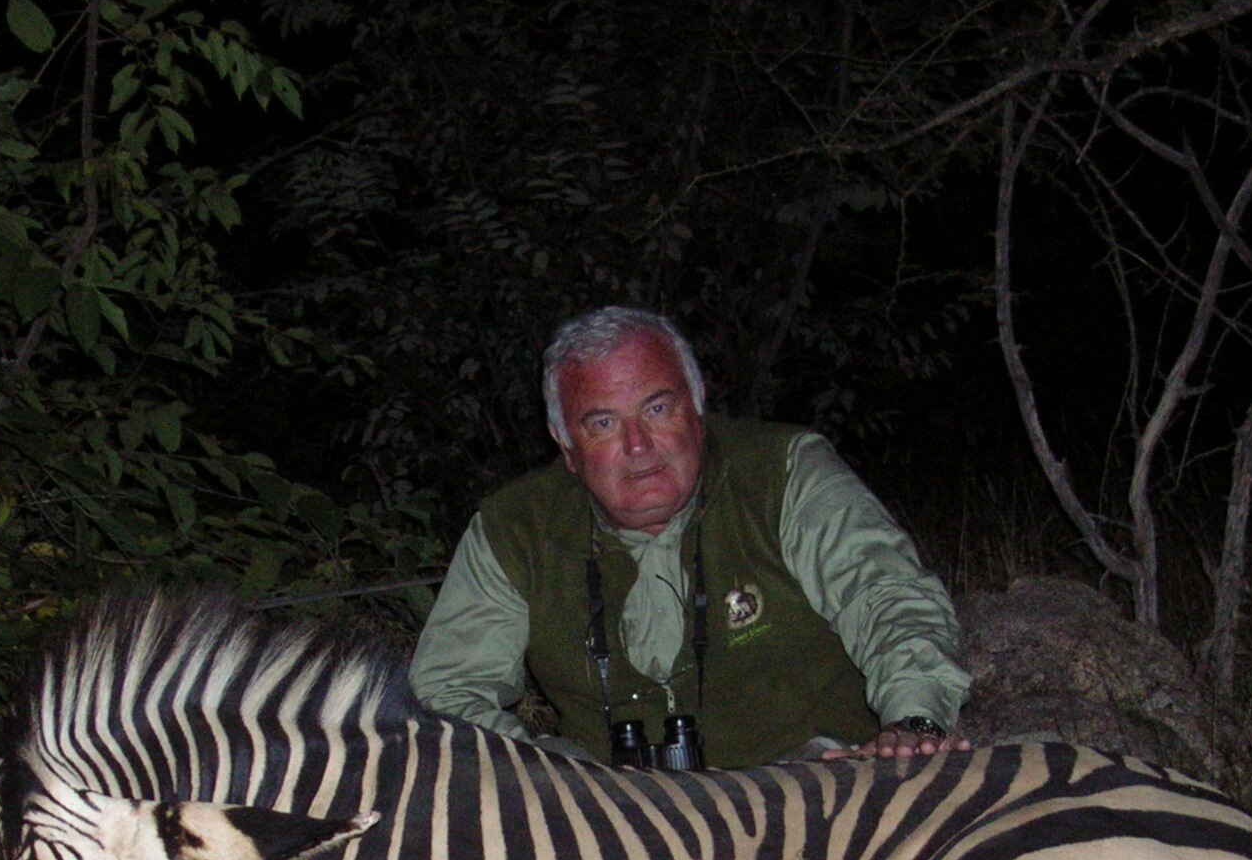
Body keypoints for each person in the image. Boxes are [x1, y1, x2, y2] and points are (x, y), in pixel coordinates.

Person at [409, 307, 971, 768]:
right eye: (602, 423)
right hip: (613, 811)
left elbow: (888, 597)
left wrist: (914, 718)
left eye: (657, 408)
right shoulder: (515, 526)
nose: (637, 445)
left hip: (813, 782)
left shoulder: (786, 471)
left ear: (697, 405)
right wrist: (550, 769)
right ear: (564, 443)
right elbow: (447, 691)